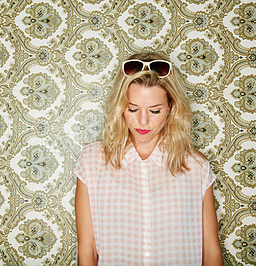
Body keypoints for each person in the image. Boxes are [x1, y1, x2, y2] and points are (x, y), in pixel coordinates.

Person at [74, 52, 222, 265]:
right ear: (120, 107)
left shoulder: (195, 166)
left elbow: (211, 251)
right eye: (133, 109)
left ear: (170, 107)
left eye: (154, 111)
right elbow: (87, 250)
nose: (142, 121)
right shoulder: (92, 162)